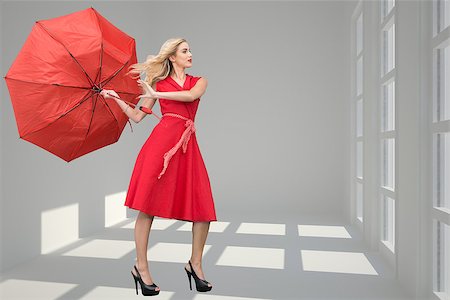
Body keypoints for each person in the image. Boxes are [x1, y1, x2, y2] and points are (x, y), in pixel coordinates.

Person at [101, 38, 217, 296]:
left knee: (203, 208)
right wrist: (116, 98)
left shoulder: (198, 81)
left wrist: (156, 94)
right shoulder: (157, 83)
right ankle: (141, 267)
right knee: (147, 207)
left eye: (190, 49)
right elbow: (138, 117)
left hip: (187, 148)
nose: (190, 53)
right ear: (173, 57)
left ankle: (195, 264)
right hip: (159, 146)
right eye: (185, 50)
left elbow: (190, 96)